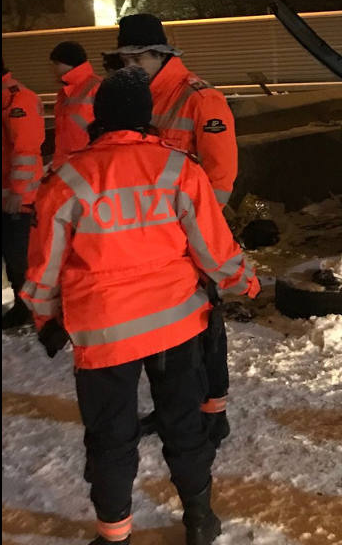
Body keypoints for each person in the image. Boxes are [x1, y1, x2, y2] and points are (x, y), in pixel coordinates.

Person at [19, 67, 259, 545]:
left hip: (104, 335)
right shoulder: (177, 168)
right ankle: (199, 520)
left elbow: (44, 267)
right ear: (147, 115)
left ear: (99, 116)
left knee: (110, 436)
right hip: (176, 325)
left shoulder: (67, 178)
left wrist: (45, 317)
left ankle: (115, 534)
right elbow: (212, 250)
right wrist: (243, 283)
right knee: (184, 423)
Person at [104, 14, 239, 447]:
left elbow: (220, 179)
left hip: (192, 238)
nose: (128, 67)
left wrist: (199, 238)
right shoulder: (143, 96)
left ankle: (214, 412)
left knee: (206, 327)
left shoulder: (200, 99)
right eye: (123, 60)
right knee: (169, 332)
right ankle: (174, 409)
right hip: (155, 241)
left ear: (160, 54)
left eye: (136, 59)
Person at [2, 58, 45, 329]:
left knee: (19, 258)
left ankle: (28, 308)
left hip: (17, 200)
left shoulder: (19, 100)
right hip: (9, 196)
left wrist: (18, 193)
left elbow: (25, 150)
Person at [49, 41, 102, 171]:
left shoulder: (96, 86)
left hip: (88, 163)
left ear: (68, 63)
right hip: (68, 164)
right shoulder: (65, 92)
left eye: (56, 64)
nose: (53, 69)